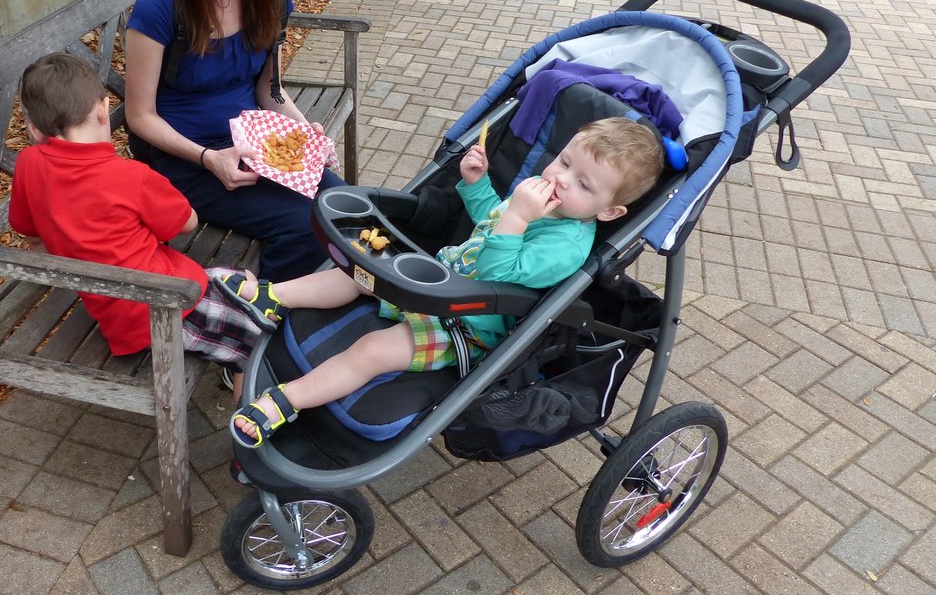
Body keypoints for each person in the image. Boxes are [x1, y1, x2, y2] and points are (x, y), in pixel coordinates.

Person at [218, 117, 666, 448]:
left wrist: (517, 217)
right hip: (439, 282)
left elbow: (497, 274)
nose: (559, 179)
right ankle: (270, 297)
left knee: (375, 351)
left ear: (608, 212)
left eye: (582, 184)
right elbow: (490, 219)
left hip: (468, 325)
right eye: (564, 161)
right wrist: (476, 186)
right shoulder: (538, 197)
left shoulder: (565, 247)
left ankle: (287, 401)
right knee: (356, 274)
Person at [124, 0, 342, 282]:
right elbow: (140, 116)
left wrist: (304, 132)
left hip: (257, 147)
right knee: (301, 224)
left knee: (344, 205)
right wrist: (209, 159)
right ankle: (270, 315)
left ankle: (326, 305)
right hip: (187, 160)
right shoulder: (161, 4)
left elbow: (270, 90)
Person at [9, 53, 262, 379]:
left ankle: (247, 297)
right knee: (259, 343)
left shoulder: (28, 164)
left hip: (118, 311)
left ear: (34, 130)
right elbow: (188, 223)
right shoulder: (130, 176)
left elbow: (28, 232)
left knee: (235, 283)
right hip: (165, 309)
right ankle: (252, 414)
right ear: (103, 111)